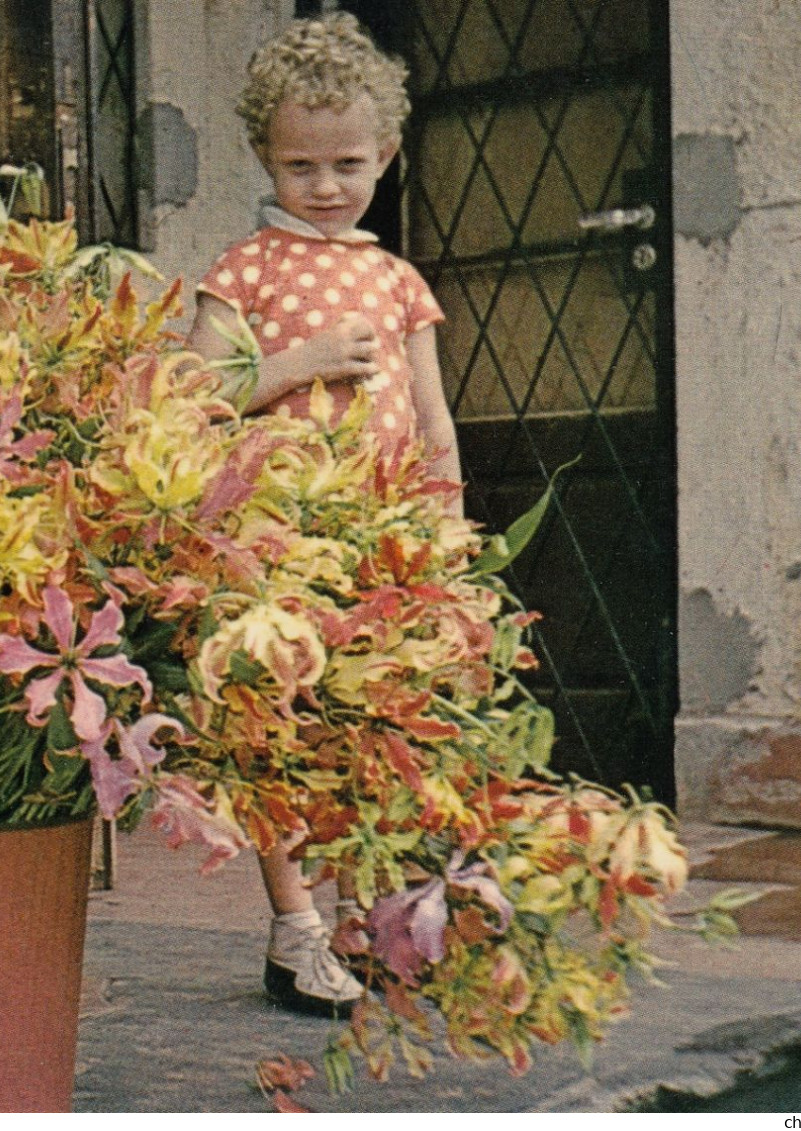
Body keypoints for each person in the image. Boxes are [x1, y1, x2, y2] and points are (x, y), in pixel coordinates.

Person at [187, 13, 463, 1018]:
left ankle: (363, 918)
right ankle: (291, 925)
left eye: (348, 162)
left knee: (368, 716)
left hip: (380, 535)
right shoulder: (247, 269)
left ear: (385, 155)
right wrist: (296, 366)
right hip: (276, 537)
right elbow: (196, 392)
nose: (326, 186)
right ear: (267, 156)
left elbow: (432, 412)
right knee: (278, 724)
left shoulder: (397, 280)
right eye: (300, 166)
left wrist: (448, 523)